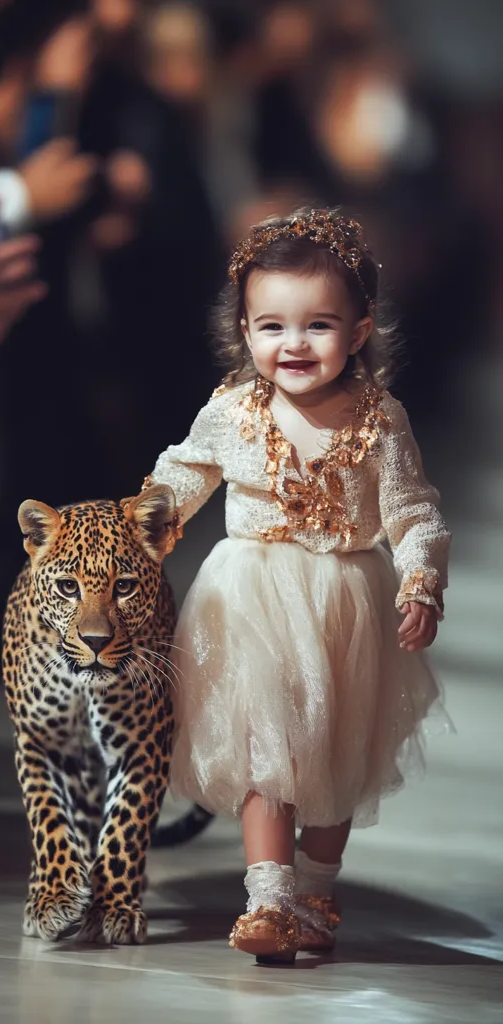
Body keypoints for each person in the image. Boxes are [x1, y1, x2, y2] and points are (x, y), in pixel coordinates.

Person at [143, 207, 451, 963]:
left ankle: (316, 884)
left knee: (336, 750)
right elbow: (186, 470)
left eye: (318, 325)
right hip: (249, 596)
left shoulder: (381, 422)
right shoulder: (233, 410)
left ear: (361, 327)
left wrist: (420, 579)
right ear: (244, 330)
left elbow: (412, 511)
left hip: (348, 601)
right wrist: (146, 521)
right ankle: (269, 896)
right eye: (272, 326)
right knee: (265, 747)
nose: (294, 344)